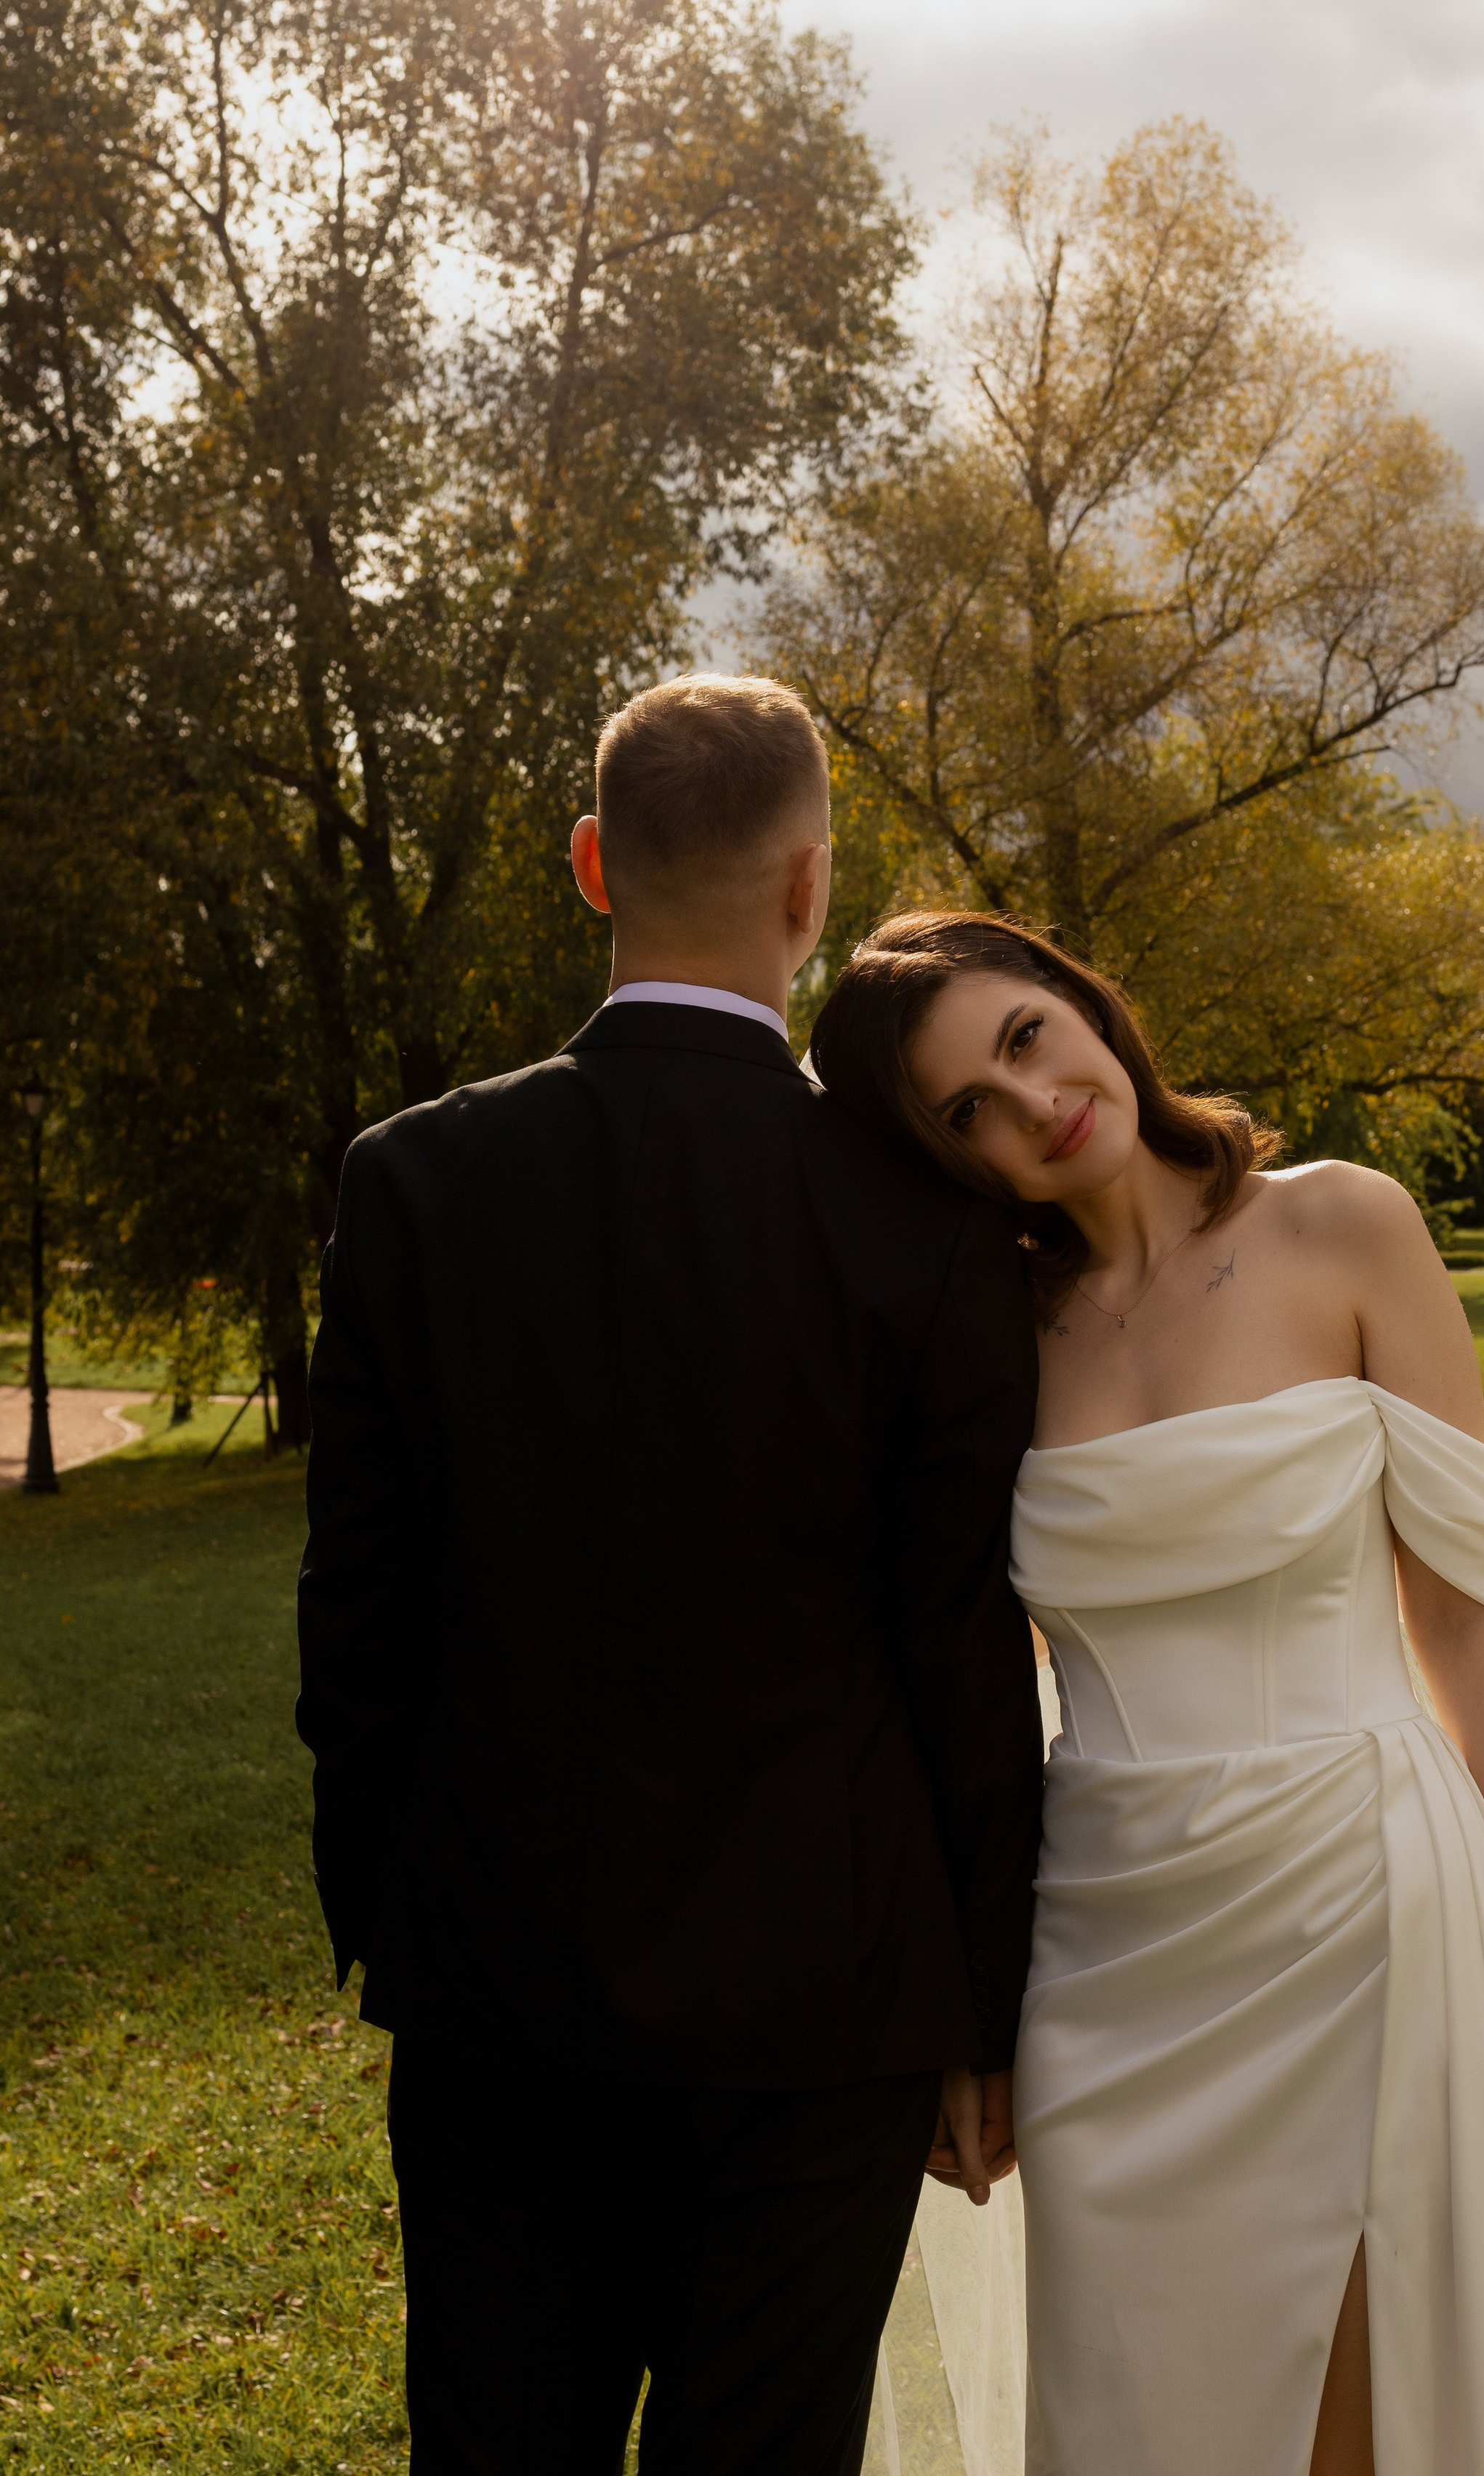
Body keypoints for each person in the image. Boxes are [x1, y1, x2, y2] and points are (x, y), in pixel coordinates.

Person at [296, 680, 1045, 2475]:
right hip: (828, 2000)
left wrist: (389, 1912)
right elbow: (958, 1648)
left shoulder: (413, 1183)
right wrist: (982, 2005)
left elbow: (360, 1618)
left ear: (587, 867)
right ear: (809, 892)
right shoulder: (928, 1227)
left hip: (493, 1975)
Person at [810, 913, 1484, 2476]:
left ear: (1074, 995)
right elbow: (956, 1679)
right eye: (965, 1115)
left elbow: (1466, 1627)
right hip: (1105, 1947)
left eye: (1019, 1038)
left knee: (1357, 2408)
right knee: (1137, 2411)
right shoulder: (989, 1325)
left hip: (1367, 1907)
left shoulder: (1342, 1224)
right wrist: (963, 2012)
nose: (1031, 1104)